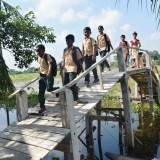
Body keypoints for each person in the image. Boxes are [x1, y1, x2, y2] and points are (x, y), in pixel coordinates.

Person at [34, 44, 58, 113]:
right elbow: (42, 66)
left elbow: (50, 64)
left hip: (48, 75)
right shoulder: (38, 57)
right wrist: (37, 68)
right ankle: (42, 107)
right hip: (41, 75)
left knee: (49, 89)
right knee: (41, 92)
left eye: (39, 51)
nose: (37, 53)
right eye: (36, 51)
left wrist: (48, 73)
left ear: (43, 50)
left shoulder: (47, 56)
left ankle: (57, 89)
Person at [62, 34, 83, 106]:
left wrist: (82, 69)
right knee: (65, 84)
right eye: (66, 41)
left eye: (69, 41)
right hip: (66, 69)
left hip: (73, 68)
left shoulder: (75, 49)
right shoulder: (64, 50)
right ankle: (76, 89)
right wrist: (62, 67)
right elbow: (64, 60)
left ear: (73, 41)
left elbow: (79, 60)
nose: (68, 42)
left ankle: (76, 99)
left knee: (72, 84)